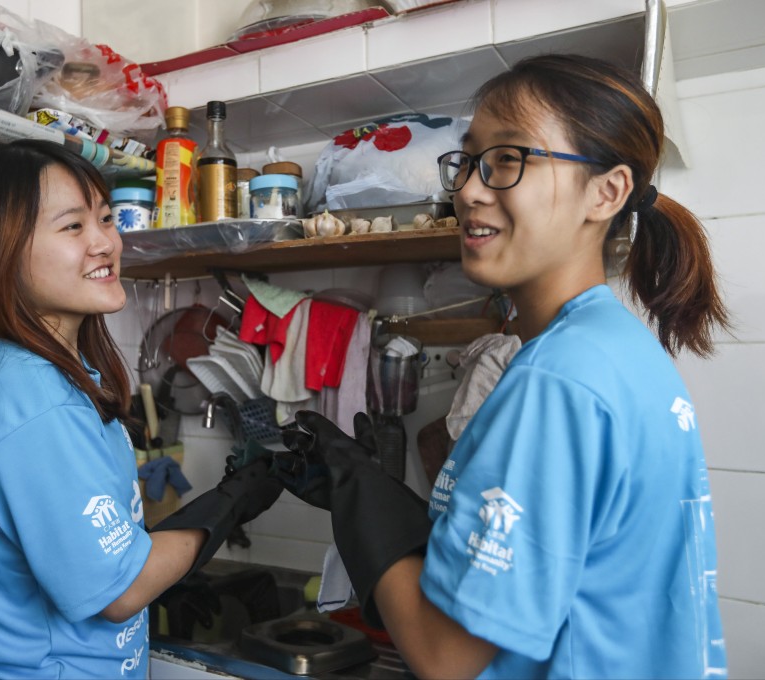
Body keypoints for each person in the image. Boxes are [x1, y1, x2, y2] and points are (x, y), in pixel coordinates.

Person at [279, 54, 730, 679]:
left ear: (607, 192)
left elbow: (446, 656)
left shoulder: (558, 380)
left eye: (509, 160)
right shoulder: (614, 349)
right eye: (468, 161)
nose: (467, 189)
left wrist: (367, 508)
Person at [0, 139, 282, 678]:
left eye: (107, 218)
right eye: (73, 227)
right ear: (1, 250)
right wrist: (231, 503)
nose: (105, 243)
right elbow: (119, 591)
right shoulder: (33, 398)